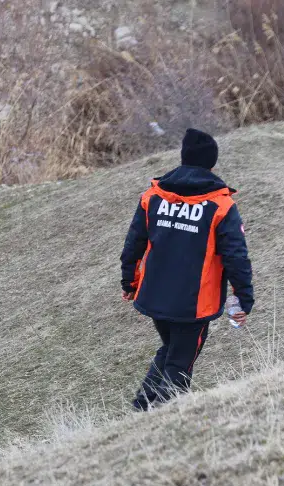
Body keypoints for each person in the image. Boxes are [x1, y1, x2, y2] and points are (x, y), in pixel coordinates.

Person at [119, 128, 254, 411]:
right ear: (212, 164)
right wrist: (243, 299)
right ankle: (166, 414)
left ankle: (141, 407)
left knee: (172, 350)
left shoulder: (153, 197)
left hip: (155, 296)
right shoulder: (221, 206)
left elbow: (133, 245)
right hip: (194, 306)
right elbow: (236, 257)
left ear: (183, 159)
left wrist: (130, 284)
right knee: (181, 361)